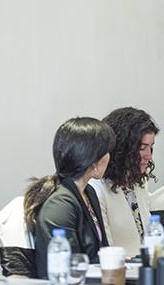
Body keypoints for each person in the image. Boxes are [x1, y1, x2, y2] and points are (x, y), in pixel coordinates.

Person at [23, 117, 115, 279]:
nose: (109, 156)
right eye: (106, 151)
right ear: (93, 159)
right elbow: (69, 268)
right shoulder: (59, 205)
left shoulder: (89, 193)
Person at [91, 107, 158, 256]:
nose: (148, 156)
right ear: (122, 149)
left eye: (151, 147)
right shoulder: (96, 188)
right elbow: (106, 251)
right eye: (142, 148)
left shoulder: (138, 183)